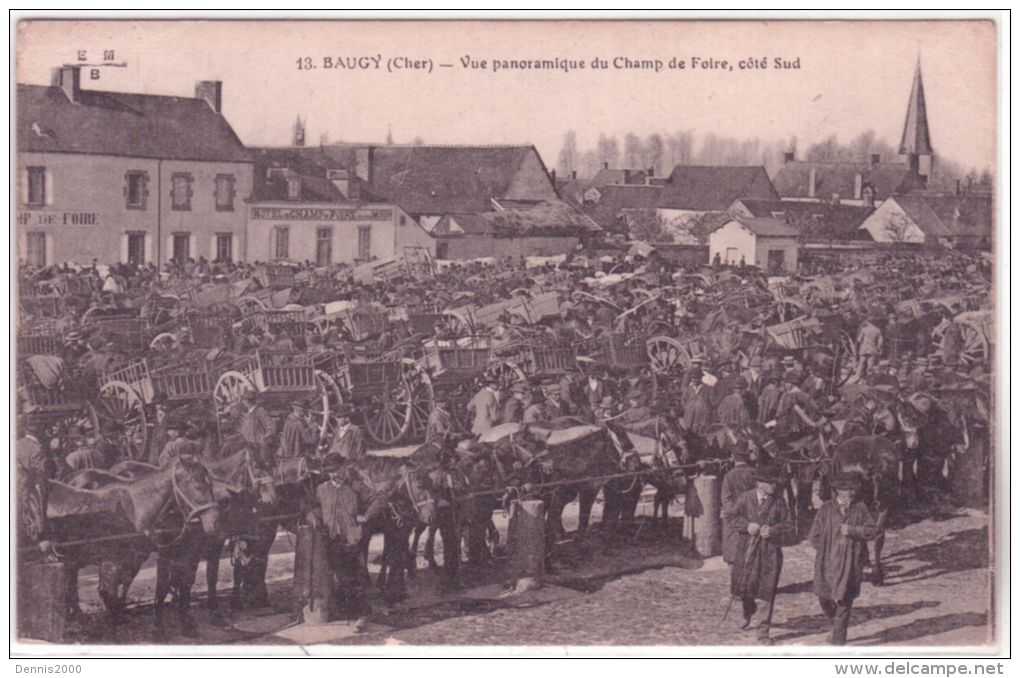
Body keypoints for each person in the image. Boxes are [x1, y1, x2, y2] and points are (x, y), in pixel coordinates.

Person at [725, 464, 794, 645]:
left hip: (770, 553)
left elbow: (788, 524)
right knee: (746, 587)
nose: (776, 486)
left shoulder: (779, 501)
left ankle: (763, 632)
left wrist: (772, 531)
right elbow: (730, 518)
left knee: (767, 590)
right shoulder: (745, 499)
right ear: (761, 484)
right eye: (772, 483)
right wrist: (747, 526)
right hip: (747, 550)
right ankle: (748, 611)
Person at [809, 472, 879, 645]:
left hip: (850, 564)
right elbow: (814, 536)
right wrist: (827, 550)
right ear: (838, 491)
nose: (852, 492)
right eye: (848, 489)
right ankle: (836, 626)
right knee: (824, 598)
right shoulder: (825, 509)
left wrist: (854, 531)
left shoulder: (860, 508)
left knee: (844, 601)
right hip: (827, 564)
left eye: (854, 489)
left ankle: (838, 641)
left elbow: (872, 531)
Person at [721, 448, 756, 565]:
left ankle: (733, 566)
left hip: (734, 514)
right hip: (752, 513)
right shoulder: (754, 473)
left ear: (733, 457)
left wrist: (732, 512)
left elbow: (726, 498)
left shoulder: (729, 476)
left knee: (733, 542)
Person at [237, 387, 275, 463]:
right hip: (248, 444)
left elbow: (271, 426)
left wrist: (264, 438)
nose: (243, 402)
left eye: (244, 400)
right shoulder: (249, 412)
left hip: (257, 446)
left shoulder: (260, 411)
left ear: (248, 401)